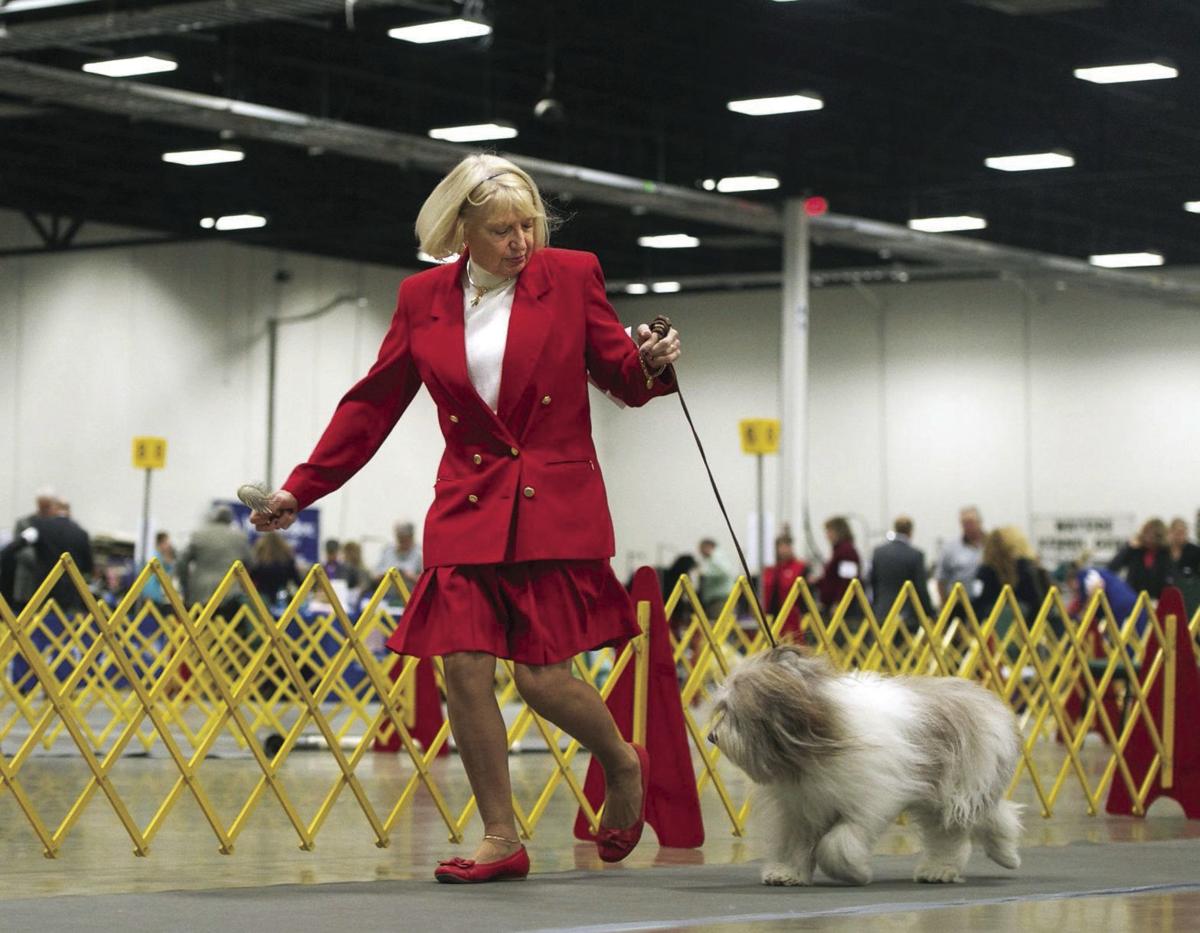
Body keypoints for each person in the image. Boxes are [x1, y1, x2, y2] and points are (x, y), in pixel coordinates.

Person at [246, 153, 682, 883]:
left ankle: (621, 761)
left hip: (554, 502)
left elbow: (621, 378)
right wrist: (302, 487)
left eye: (528, 225)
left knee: (544, 680)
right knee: (463, 667)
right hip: (469, 504)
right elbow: (373, 402)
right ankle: (501, 835)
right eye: (503, 230)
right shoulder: (422, 297)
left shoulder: (572, 276)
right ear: (460, 235)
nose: (521, 241)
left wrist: (652, 361)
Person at [177, 504, 252, 616]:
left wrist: (185, 584)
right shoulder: (240, 537)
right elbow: (250, 563)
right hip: (230, 593)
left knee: (199, 629)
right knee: (228, 630)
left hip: (200, 591)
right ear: (230, 519)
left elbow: (181, 562)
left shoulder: (198, 535)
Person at [869, 516, 935, 629]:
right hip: (907, 615)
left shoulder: (878, 552)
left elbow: (872, 582)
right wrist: (930, 613)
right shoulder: (916, 555)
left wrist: (875, 605)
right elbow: (920, 588)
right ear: (911, 531)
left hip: (882, 611)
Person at [971, 527, 1045, 619]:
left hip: (990, 623)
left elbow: (977, 597)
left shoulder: (984, 571)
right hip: (1023, 623)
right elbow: (1036, 600)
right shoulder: (1025, 567)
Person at [1108, 517, 1170, 600]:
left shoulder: (1165, 553)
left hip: (1156, 599)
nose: (1149, 539)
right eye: (1146, 533)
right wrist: (1129, 548)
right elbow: (1113, 567)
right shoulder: (1135, 550)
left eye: (1153, 536)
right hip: (1133, 596)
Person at [760, 533, 807, 639]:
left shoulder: (800, 567)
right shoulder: (770, 569)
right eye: (781, 546)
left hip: (794, 615)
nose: (784, 550)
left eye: (786, 546)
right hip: (772, 614)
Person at [811, 516, 861, 614]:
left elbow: (848, 579)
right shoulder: (839, 550)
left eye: (829, 531)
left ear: (838, 532)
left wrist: (839, 602)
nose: (827, 536)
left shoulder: (846, 551)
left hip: (841, 607)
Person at [936, 506, 985, 604]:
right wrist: (944, 604)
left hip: (986, 603)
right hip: (959, 604)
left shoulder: (991, 546)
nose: (967, 526)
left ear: (980, 522)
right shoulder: (949, 549)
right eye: (964, 523)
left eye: (970, 522)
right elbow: (941, 579)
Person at [249, 532, 302, 606]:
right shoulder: (287, 560)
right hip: (282, 599)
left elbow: (250, 578)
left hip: (262, 599)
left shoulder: (259, 562)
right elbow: (297, 580)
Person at [375, 521, 423, 591]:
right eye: (400, 538)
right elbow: (375, 576)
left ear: (411, 537)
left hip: (411, 597)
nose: (402, 541)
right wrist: (389, 574)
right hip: (387, 596)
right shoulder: (387, 550)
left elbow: (426, 582)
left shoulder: (420, 553)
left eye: (405, 538)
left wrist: (410, 576)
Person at [697, 538, 733, 618]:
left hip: (720, 599)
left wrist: (704, 573)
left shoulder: (717, 557)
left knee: (720, 624)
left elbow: (724, 571)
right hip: (717, 598)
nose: (700, 552)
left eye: (701, 548)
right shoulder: (713, 558)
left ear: (708, 547)